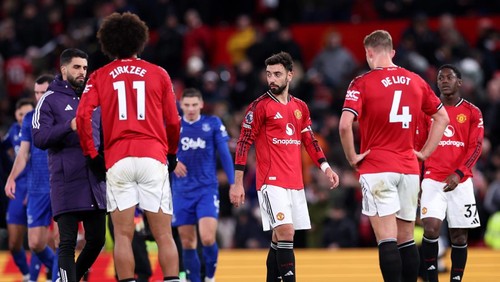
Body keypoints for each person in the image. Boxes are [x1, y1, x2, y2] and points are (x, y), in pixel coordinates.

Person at [75, 12, 181, 282]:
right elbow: (173, 120)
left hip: (118, 159)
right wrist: (171, 154)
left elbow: (83, 116)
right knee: (163, 234)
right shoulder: (159, 74)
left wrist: (92, 155)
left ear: (108, 43)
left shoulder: (99, 76)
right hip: (152, 157)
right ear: (139, 41)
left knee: (123, 235)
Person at [338, 29, 449, 282]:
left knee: (386, 238)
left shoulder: (361, 82)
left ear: (369, 53)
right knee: (407, 238)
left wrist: (352, 156)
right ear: (393, 52)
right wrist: (425, 152)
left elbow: (345, 125)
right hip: (409, 168)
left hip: (377, 167)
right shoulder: (416, 80)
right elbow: (441, 117)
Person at [230, 51, 340, 282]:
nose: (272, 79)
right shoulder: (259, 107)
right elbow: (243, 143)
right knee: (286, 232)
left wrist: (326, 168)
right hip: (271, 182)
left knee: (279, 239)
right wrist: (237, 183)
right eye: (269, 74)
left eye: (277, 74)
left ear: (290, 75)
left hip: (295, 182)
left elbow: (309, 140)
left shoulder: (300, 107)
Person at [32, 49, 107, 282]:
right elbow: (40, 138)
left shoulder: (94, 97)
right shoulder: (49, 99)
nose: (82, 72)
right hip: (67, 181)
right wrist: (69, 125)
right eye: (77, 67)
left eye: (85, 67)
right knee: (66, 242)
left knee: (97, 240)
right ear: (63, 69)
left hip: (94, 180)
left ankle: (70, 278)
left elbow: (104, 133)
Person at [419, 64, 483, 282]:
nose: (444, 81)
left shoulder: (472, 112)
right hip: (432, 178)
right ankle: (431, 279)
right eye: (440, 78)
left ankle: (456, 279)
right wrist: (417, 179)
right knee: (430, 228)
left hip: (461, 181)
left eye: (449, 77)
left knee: (459, 235)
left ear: (459, 82)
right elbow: (418, 146)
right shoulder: (427, 111)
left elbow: (475, 147)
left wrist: (459, 173)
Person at [171, 88, 235, 282]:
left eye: (194, 105)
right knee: (187, 242)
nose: (190, 109)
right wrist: (171, 162)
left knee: (207, 238)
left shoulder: (212, 123)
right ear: (181, 106)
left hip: (206, 189)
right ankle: (194, 280)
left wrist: (233, 183)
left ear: (201, 105)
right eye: (187, 105)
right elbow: (160, 150)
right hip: (181, 190)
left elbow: (224, 153)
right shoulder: (173, 126)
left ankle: (209, 277)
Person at [5, 75, 59, 282]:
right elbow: (22, 154)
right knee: (35, 243)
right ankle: (62, 270)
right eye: (36, 93)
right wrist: (11, 178)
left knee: (62, 241)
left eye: (43, 93)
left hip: (59, 185)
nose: (39, 97)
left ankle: (58, 277)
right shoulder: (29, 119)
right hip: (37, 189)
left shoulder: (63, 115)